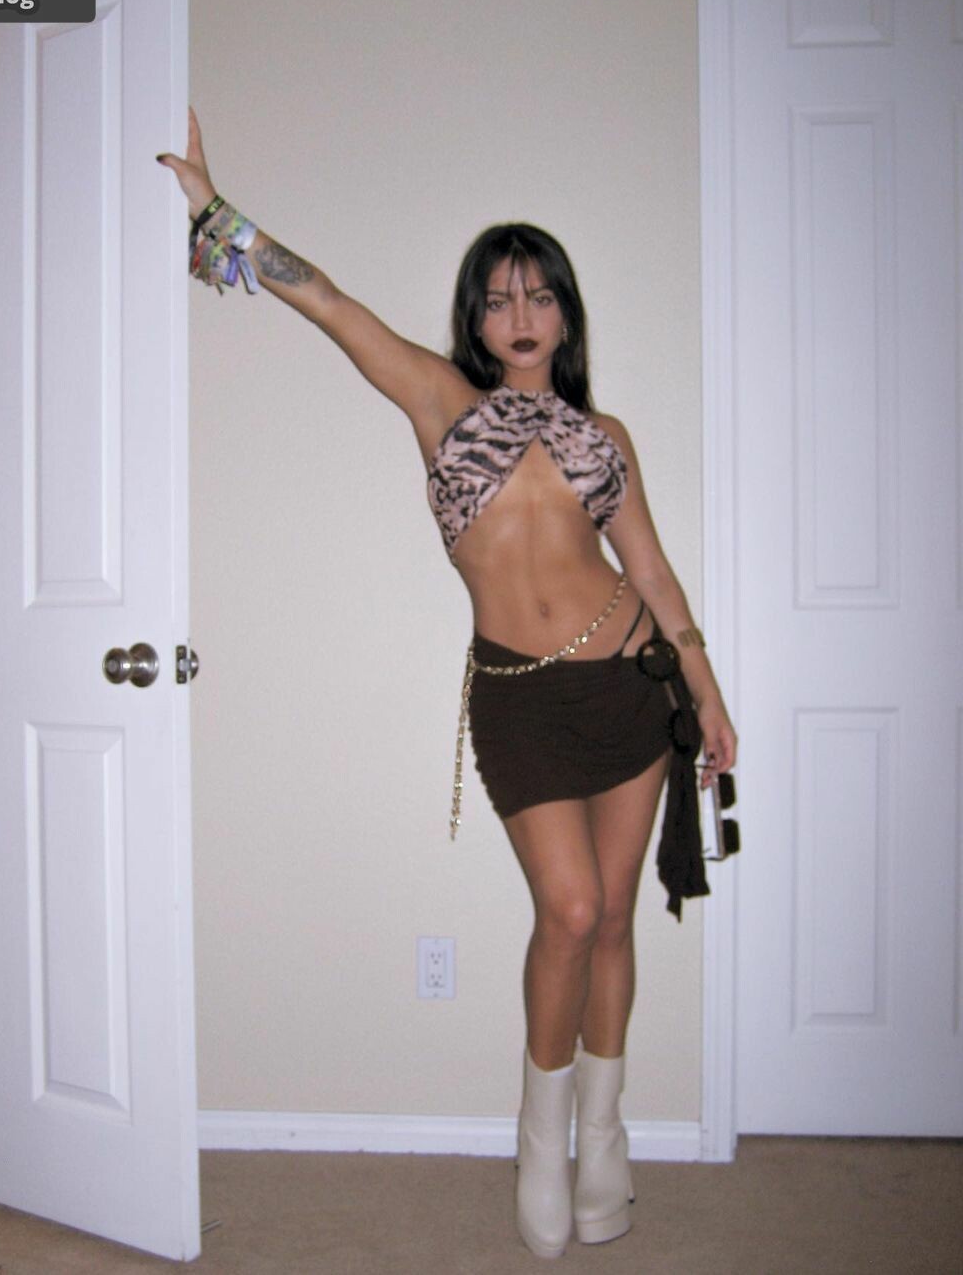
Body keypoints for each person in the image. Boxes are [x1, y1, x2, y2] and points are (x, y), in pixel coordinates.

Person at [158, 110, 737, 1260]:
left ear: (565, 314)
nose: (521, 316)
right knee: (568, 911)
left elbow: (654, 571)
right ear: (475, 317)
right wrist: (219, 215)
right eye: (500, 298)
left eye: (541, 296)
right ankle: (541, 1138)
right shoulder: (440, 402)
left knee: (617, 918)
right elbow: (333, 305)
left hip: (635, 687)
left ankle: (604, 1139)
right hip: (520, 699)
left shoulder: (606, 434)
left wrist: (709, 692)